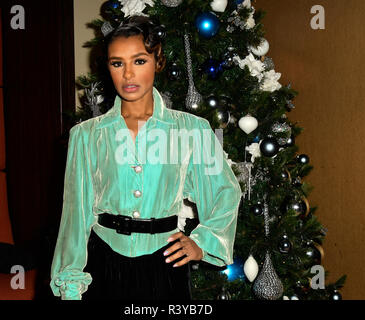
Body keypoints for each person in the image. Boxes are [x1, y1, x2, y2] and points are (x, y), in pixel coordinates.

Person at [50, 15, 242, 300]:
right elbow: (75, 218)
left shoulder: (193, 129)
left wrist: (202, 242)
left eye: (139, 61)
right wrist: (70, 284)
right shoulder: (86, 135)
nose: (128, 74)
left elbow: (226, 191)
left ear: (157, 61)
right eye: (118, 63)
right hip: (103, 262)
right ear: (108, 68)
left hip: (165, 266)